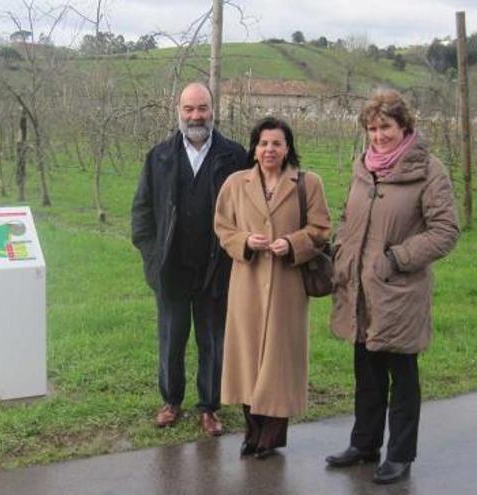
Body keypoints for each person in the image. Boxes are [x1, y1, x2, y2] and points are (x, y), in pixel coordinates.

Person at [324, 89, 459, 483]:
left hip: (398, 292)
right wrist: (340, 249)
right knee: (366, 374)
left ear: (404, 127)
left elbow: (446, 231)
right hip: (360, 291)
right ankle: (364, 444)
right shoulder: (363, 167)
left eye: (386, 127)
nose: (379, 136)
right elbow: (350, 218)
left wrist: (397, 258)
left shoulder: (429, 170)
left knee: (402, 377)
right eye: (372, 128)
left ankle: (400, 454)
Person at [131, 82, 248, 436]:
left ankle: (209, 407)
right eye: (189, 109)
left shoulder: (235, 156)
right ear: (178, 111)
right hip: (172, 271)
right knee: (171, 339)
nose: (196, 115)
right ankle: (171, 401)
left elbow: (248, 211)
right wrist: (153, 261)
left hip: (217, 269)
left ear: (214, 110)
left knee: (213, 341)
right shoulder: (160, 156)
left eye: (202, 108)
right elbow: (141, 213)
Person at [214, 116, 331, 459]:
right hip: (247, 285)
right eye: (263, 143)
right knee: (248, 358)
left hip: (287, 286)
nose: (269, 150)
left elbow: (322, 228)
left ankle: (272, 436)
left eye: (276, 144)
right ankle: (252, 431)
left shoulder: (307, 183)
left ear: (288, 147)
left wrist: (293, 243)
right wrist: (245, 240)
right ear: (254, 147)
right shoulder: (236, 183)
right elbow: (222, 227)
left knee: (279, 361)